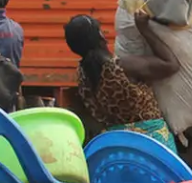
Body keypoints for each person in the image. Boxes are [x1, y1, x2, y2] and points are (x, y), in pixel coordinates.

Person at [64, 13, 180, 152]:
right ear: (101, 36)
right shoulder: (123, 67)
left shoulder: (82, 76)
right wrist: (144, 29)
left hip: (118, 147)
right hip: (152, 144)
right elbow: (171, 65)